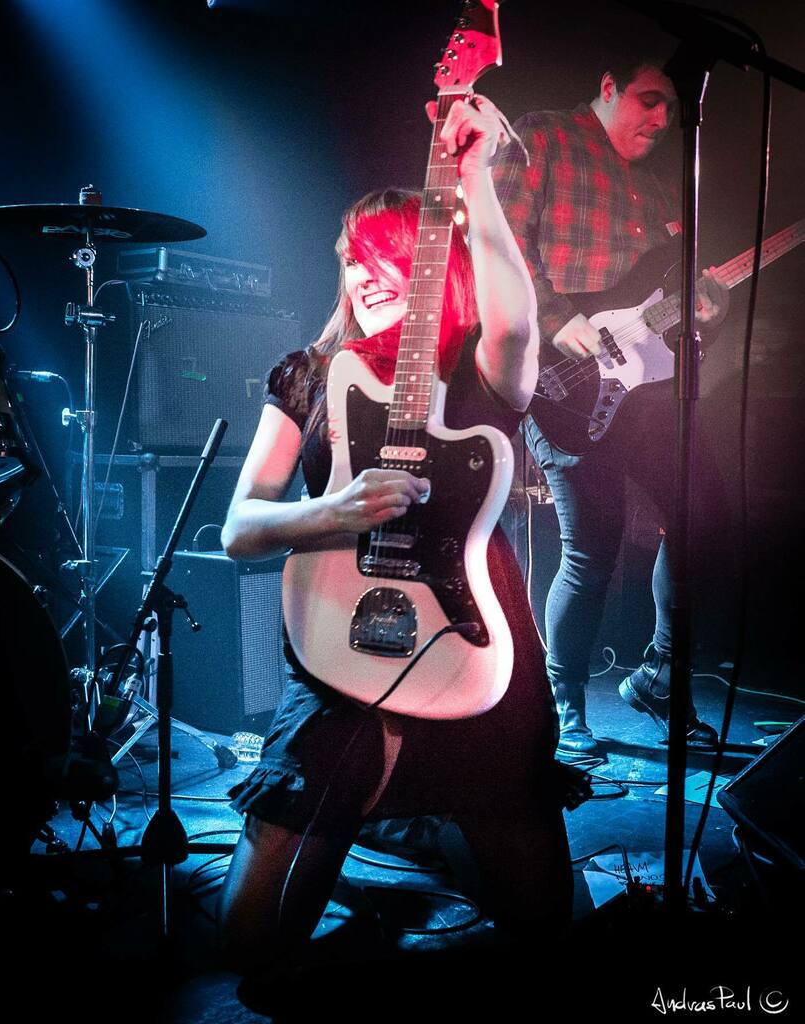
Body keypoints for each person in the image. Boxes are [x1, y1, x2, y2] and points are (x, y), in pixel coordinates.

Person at [217, 95, 573, 972]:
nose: (363, 275)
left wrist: (476, 176)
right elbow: (239, 529)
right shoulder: (307, 374)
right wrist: (328, 515)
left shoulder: (478, 369)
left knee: (540, 927)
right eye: (350, 258)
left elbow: (518, 323)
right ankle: (379, 836)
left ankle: (438, 832)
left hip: (471, 634)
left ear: (430, 269)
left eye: (385, 258)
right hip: (342, 638)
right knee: (253, 943)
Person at [493, 59, 730, 755]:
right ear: (605, 86)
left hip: (650, 386)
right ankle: (563, 705)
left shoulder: (658, 186)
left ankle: (659, 675)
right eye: (648, 100)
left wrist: (704, 309)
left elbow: (664, 301)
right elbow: (495, 240)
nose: (661, 119)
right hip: (565, 382)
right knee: (590, 550)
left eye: (669, 108)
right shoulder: (541, 138)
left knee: (703, 521)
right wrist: (554, 313)